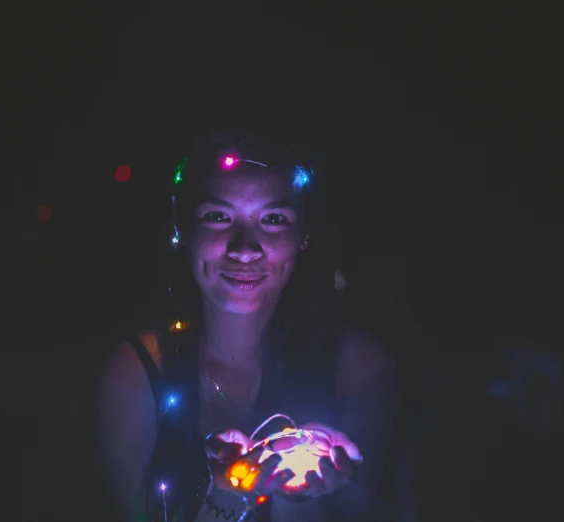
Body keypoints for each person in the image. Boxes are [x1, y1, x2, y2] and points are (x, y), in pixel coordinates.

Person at [97, 129, 396, 522]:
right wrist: (228, 490)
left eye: (273, 219)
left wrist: (296, 497)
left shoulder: (358, 368)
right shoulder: (139, 370)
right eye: (218, 216)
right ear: (182, 228)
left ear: (303, 235)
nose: (243, 248)